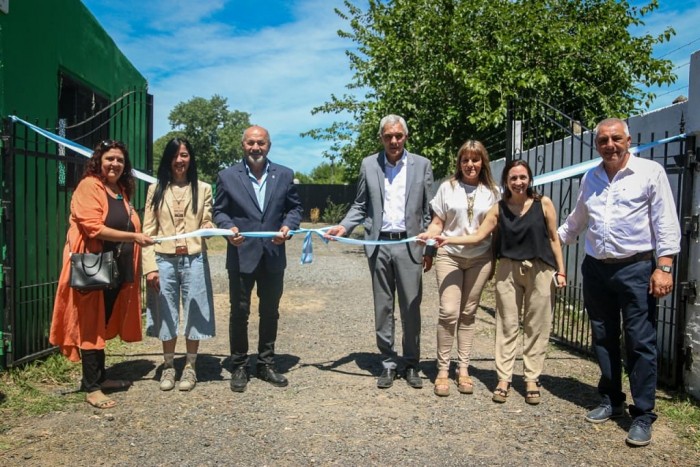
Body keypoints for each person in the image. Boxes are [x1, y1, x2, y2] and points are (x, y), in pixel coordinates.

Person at [557, 118, 681, 447]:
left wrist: (664, 266)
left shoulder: (649, 172)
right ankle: (610, 399)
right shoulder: (591, 176)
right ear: (596, 145)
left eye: (615, 139)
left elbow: (665, 220)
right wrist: (549, 240)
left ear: (628, 139)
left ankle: (642, 413)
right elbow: (577, 220)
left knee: (640, 341)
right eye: (603, 141)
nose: (609, 145)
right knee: (603, 336)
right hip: (596, 269)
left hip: (637, 268)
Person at [436, 159, 566, 404]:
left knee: (536, 326)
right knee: (507, 325)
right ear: (506, 181)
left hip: (540, 269)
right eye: (513, 178)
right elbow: (478, 236)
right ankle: (504, 378)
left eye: (522, 177)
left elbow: (553, 238)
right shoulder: (498, 208)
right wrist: (446, 240)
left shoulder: (543, 203)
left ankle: (531, 378)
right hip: (507, 269)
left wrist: (561, 271)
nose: (518, 182)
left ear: (529, 179)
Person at [325, 114, 434, 389]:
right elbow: (360, 205)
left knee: (411, 307)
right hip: (378, 245)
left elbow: (430, 212)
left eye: (398, 136)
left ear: (406, 136)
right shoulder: (369, 164)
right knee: (383, 308)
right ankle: (387, 362)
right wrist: (344, 227)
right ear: (381, 138)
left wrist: (430, 247)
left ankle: (411, 363)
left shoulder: (422, 165)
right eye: (388, 136)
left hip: (411, 245)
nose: (394, 141)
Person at [50, 140, 154, 409]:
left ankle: (99, 378)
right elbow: (93, 228)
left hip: (114, 266)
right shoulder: (88, 186)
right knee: (90, 322)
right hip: (92, 265)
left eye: (120, 160)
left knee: (101, 320)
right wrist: (134, 236)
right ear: (99, 161)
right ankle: (92, 387)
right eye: (110, 159)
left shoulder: (119, 190)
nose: (115, 164)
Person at [213, 125, 303, 392]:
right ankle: (239, 365)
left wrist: (289, 227)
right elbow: (219, 212)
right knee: (239, 312)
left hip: (274, 255)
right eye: (251, 143)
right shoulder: (227, 176)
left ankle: (266, 363)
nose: (256, 148)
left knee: (270, 312)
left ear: (269, 145)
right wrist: (227, 229)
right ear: (243, 145)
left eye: (261, 143)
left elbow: (294, 209)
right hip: (241, 254)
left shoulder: (285, 175)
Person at [417, 140, 500, 397]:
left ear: (482, 162)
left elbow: (493, 232)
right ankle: (443, 369)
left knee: (468, 313)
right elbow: (437, 223)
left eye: (475, 160)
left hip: (480, 258)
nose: (470, 165)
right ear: (459, 162)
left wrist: (495, 261)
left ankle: (463, 368)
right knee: (449, 311)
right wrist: (428, 242)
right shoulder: (447, 187)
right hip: (449, 256)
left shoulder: (494, 192)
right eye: (465, 160)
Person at [142, 138, 216, 392]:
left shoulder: (204, 188)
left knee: (195, 311)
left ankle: (191, 366)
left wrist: (208, 226)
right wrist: (149, 266)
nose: (180, 160)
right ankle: (169, 366)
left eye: (184, 155)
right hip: (164, 260)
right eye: (175, 155)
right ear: (168, 159)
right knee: (166, 313)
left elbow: (207, 219)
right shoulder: (155, 189)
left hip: (194, 259)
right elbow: (148, 231)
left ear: (190, 158)